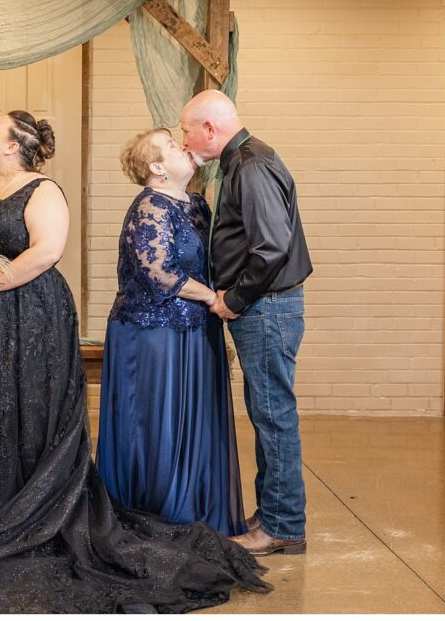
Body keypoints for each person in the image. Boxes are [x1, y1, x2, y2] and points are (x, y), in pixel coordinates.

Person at [0, 111, 270, 613]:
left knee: (25, 409)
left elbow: (46, 252)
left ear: (16, 143)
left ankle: (33, 510)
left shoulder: (42, 189)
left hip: (30, 315)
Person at [180, 89, 313, 556]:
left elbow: (271, 248)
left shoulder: (251, 166)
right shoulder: (244, 160)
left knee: (273, 415)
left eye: (187, 130)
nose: (184, 139)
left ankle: (283, 526)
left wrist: (233, 299)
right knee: (267, 412)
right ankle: (277, 511)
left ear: (209, 130)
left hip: (266, 307)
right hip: (267, 307)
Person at [96, 128, 245, 536]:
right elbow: (160, 273)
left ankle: (197, 507)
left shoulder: (195, 204)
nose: (182, 146)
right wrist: (215, 297)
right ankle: (158, 516)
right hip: (155, 336)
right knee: (158, 427)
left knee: (195, 424)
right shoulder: (149, 206)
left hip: (197, 334)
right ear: (156, 167)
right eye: (171, 145)